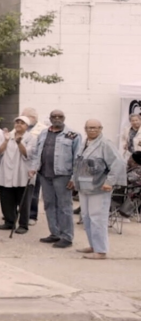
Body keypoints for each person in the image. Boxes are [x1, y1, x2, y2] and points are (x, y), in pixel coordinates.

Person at [72, 120, 125, 260]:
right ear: (85, 129)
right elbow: (78, 164)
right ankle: (93, 245)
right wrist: (73, 179)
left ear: (101, 128)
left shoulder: (106, 144)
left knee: (98, 218)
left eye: (95, 128)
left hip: (100, 187)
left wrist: (110, 182)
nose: (92, 130)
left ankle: (101, 250)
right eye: (89, 128)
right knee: (86, 218)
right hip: (84, 186)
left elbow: (118, 163)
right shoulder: (84, 143)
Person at [29, 110, 80, 249]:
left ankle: (67, 237)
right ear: (50, 118)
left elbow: (78, 158)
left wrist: (74, 178)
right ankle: (55, 233)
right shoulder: (43, 133)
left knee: (65, 207)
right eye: (54, 117)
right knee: (49, 204)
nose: (57, 119)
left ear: (64, 118)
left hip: (63, 176)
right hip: (45, 175)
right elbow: (36, 153)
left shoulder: (73, 135)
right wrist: (33, 168)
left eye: (60, 116)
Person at [0, 116, 33, 233]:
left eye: (22, 123)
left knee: (23, 200)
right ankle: (9, 222)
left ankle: (23, 224)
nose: (19, 124)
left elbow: (28, 154)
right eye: (17, 122)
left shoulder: (31, 137)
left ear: (27, 126)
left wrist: (19, 143)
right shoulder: (7, 135)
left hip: (22, 172)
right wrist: (6, 141)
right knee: (6, 199)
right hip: (6, 171)